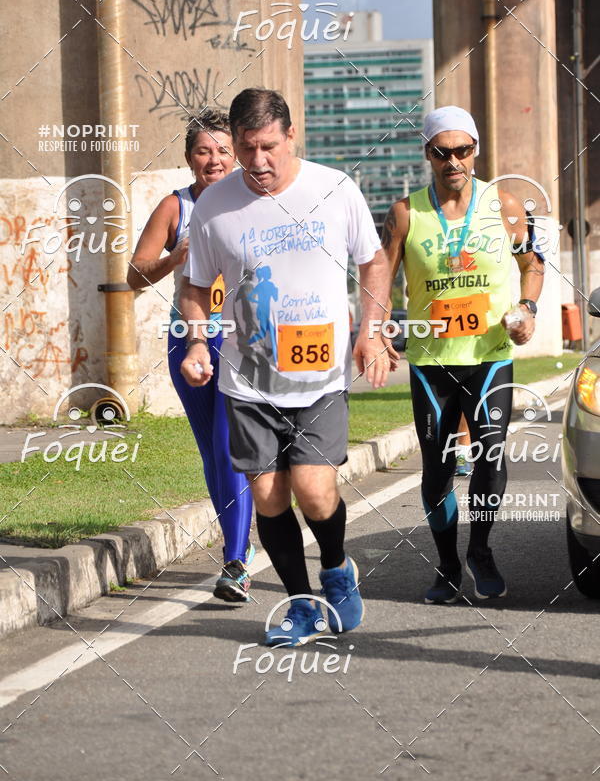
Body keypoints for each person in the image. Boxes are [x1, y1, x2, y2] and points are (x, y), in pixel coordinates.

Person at [180, 87, 390, 646]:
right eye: (246, 148)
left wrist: (369, 331)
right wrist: (199, 343)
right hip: (249, 381)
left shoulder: (334, 189)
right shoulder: (214, 206)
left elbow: (373, 261)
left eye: (268, 146)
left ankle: (338, 568)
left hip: (319, 379)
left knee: (316, 492)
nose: (257, 161)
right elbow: (196, 286)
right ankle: (300, 604)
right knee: (270, 496)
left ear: (292, 135)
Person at [382, 105, 544, 604]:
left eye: (463, 150)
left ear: (476, 150)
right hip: (432, 362)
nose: (454, 161)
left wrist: (528, 307)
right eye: (442, 151)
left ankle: (480, 550)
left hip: (490, 354)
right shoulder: (406, 213)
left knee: (491, 460)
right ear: (428, 154)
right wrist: (380, 324)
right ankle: (448, 564)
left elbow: (532, 264)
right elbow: (378, 280)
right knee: (436, 469)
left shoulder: (506, 205)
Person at [127, 109, 254, 603]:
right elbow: (134, 276)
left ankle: (236, 562)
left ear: (238, 154)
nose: (214, 160)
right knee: (211, 452)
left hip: (243, 339)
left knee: (229, 447)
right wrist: (172, 261)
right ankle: (235, 545)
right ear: (188, 158)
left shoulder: (255, 202)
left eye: (224, 150)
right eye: (204, 151)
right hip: (189, 338)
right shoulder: (174, 207)